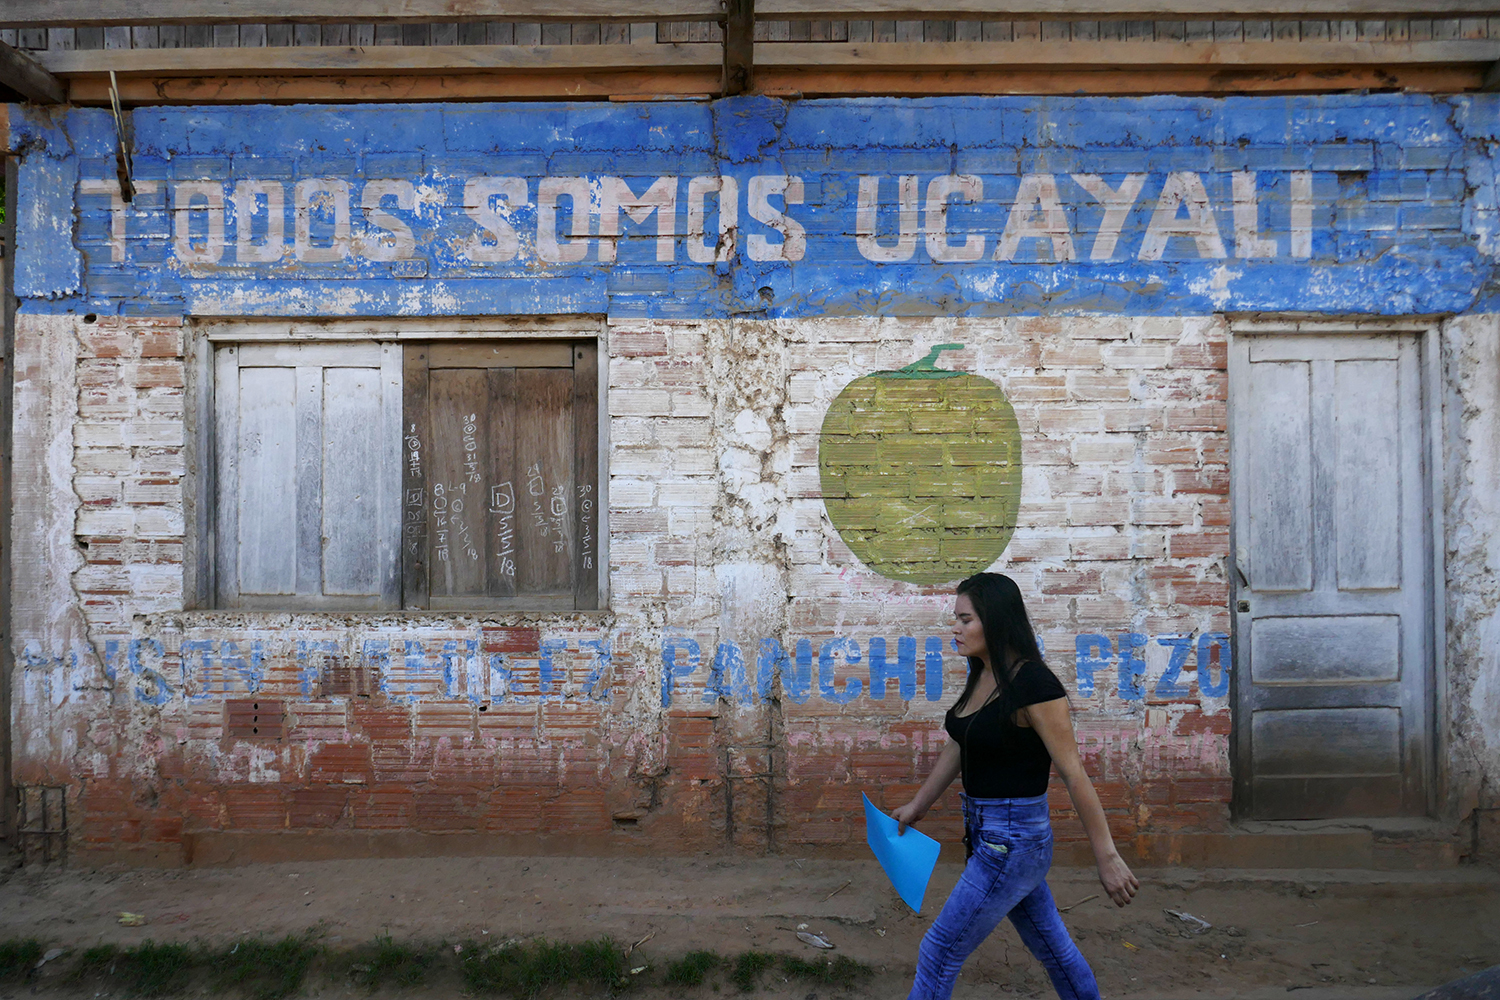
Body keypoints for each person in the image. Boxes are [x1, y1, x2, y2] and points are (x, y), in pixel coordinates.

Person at [893, 572, 1138, 1000]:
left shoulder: (1034, 685)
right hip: (992, 837)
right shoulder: (983, 674)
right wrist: (918, 806)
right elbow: (961, 742)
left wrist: (1108, 857)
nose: (955, 628)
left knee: (938, 951)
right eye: (956, 618)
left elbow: (1073, 772)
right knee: (1053, 950)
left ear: (996, 620)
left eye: (965, 619)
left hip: (1013, 842)